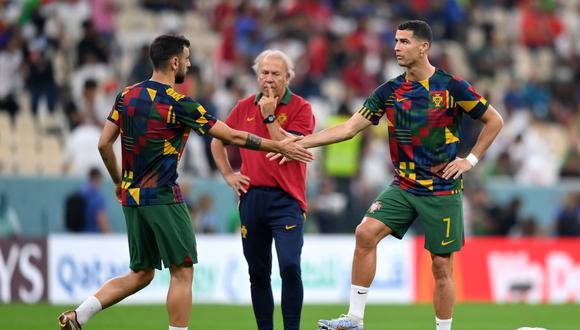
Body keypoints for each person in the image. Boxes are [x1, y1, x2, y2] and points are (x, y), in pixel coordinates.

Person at [58, 34, 313, 330]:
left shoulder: (126, 95)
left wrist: (118, 182)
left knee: (141, 273)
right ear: (175, 62)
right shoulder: (179, 103)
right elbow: (230, 136)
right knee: (182, 271)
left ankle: (80, 315)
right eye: (188, 59)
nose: (189, 65)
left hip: (131, 198)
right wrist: (278, 145)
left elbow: (104, 144)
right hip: (163, 196)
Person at [273, 20, 504, 330]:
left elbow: (494, 120)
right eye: (396, 41)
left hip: (441, 188)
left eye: (404, 42)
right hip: (405, 185)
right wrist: (299, 141)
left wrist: (470, 159)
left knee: (440, 265)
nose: (396, 47)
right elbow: (349, 128)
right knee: (365, 233)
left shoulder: (452, 87)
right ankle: (354, 319)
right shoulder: (390, 91)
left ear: (424, 47)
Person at [211, 49, 315, 330]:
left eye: (275, 73)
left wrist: (269, 117)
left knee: (290, 267)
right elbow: (217, 140)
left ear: (288, 77)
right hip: (252, 198)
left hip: (287, 200)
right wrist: (229, 174)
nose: (269, 78)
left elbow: (290, 149)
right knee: (258, 273)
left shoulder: (301, 108)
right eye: (264, 73)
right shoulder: (243, 106)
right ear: (257, 77)